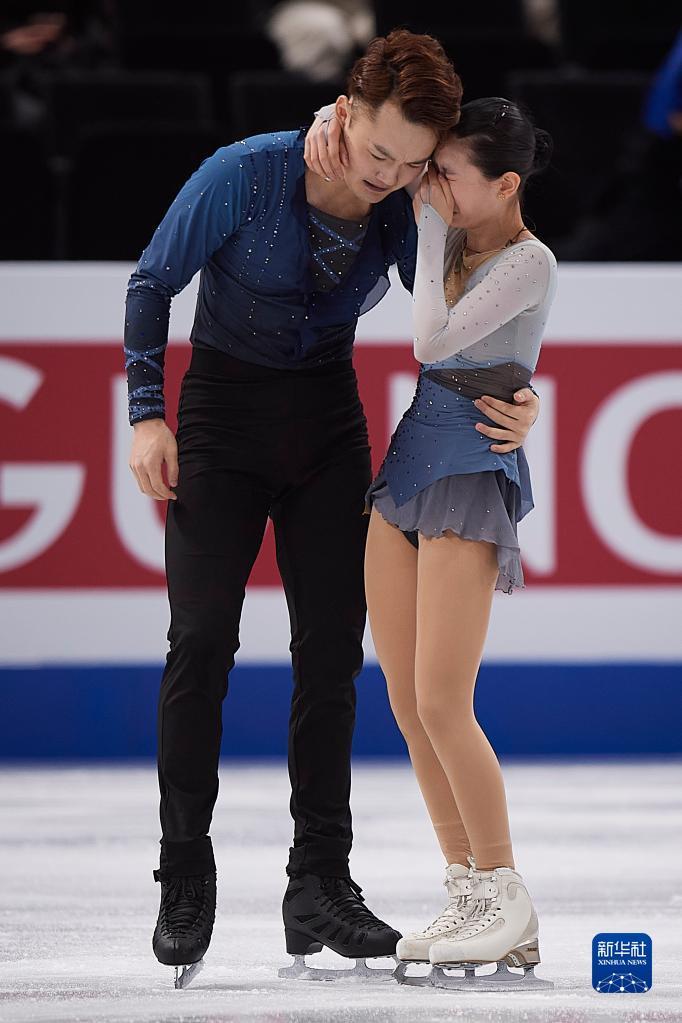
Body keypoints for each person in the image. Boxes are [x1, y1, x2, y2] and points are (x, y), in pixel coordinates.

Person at [124, 29, 541, 984]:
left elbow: (472, 304)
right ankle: (184, 872)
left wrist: (524, 396)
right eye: (377, 150)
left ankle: (318, 881)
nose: (386, 175)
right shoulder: (246, 172)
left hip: (326, 425)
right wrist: (147, 415)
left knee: (330, 657)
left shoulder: (401, 207)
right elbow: (153, 281)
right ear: (344, 113)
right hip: (222, 420)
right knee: (201, 640)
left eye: (409, 163)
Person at [306, 95, 557, 988]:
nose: (430, 185)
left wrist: (425, 221)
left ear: (505, 184)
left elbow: (428, 339)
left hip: (467, 475)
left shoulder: (528, 260)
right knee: (408, 703)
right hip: (407, 471)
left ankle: (506, 888)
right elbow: (351, 140)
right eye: (432, 170)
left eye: (447, 172)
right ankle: (468, 888)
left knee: (446, 700)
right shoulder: (450, 235)